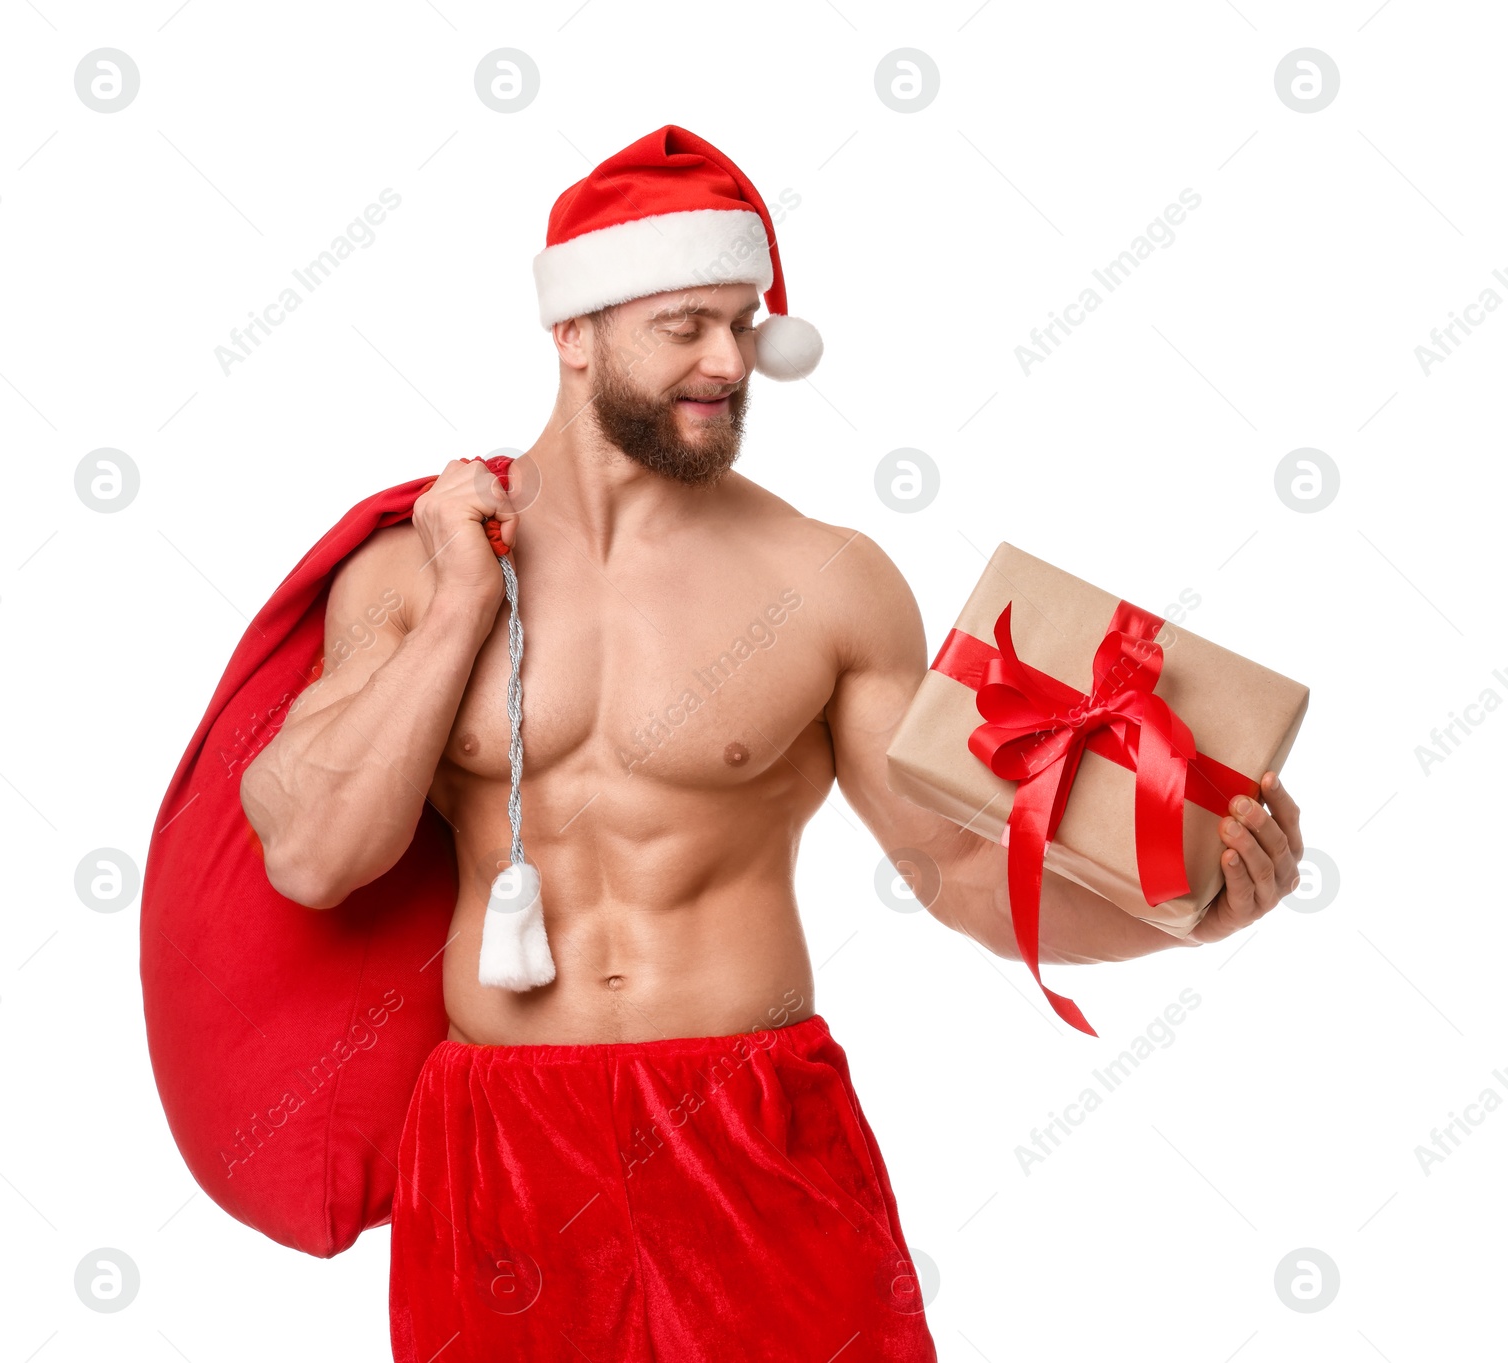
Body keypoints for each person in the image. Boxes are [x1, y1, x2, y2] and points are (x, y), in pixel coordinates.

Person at [238, 126, 1305, 1362]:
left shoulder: (826, 579)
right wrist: (464, 605)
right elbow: (315, 856)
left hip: (744, 1124)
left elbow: (953, 871)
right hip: (503, 1140)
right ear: (571, 334)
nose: (727, 361)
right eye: (685, 323)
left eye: (743, 325)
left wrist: (1183, 915)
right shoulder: (410, 571)